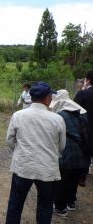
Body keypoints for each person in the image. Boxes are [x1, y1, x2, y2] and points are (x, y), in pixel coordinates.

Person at [5, 81, 66, 224]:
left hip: (23, 166)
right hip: (47, 170)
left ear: (31, 97)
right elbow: (62, 146)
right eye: (50, 96)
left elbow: (9, 140)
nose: (51, 98)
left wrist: (21, 151)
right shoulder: (57, 119)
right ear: (46, 98)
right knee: (45, 206)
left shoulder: (18, 115)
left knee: (15, 204)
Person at [50, 89, 90, 217]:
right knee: (74, 178)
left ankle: (60, 208)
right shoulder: (81, 113)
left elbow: (55, 136)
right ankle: (71, 203)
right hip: (82, 152)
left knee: (62, 180)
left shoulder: (60, 115)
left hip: (67, 152)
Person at [74, 71, 93, 186]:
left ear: (88, 80)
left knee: (84, 153)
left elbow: (73, 108)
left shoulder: (83, 94)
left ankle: (81, 177)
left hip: (85, 128)